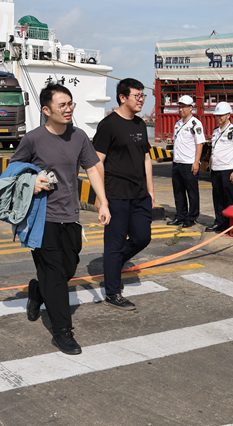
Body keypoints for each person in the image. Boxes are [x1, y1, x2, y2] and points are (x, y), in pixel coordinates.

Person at [11, 83, 110, 355]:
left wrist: (103, 202)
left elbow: (92, 168)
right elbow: (12, 170)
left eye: (71, 104)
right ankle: (62, 332)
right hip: (42, 218)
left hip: (71, 216)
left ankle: (37, 291)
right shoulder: (33, 139)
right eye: (62, 105)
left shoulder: (79, 137)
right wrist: (31, 182)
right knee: (54, 275)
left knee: (67, 269)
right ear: (46, 110)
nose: (69, 110)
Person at [93, 77, 153, 311]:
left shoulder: (140, 124)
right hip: (116, 194)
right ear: (122, 98)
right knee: (114, 245)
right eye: (137, 96)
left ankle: (113, 266)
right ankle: (112, 292)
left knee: (142, 238)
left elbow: (146, 158)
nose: (141, 100)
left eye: (142, 96)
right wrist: (101, 198)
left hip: (139, 195)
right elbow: (97, 162)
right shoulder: (108, 125)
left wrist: (150, 191)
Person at [167, 95, 206, 228]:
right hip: (178, 162)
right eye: (179, 107)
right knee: (178, 191)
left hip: (189, 163)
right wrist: (174, 159)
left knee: (192, 192)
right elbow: (176, 143)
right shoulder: (178, 124)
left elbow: (200, 144)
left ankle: (191, 217)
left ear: (190, 108)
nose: (180, 109)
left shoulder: (195, 124)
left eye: (183, 107)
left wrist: (196, 162)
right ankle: (180, 215)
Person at [206, 101, 233, 233]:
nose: (218, 118)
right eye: (217, 115)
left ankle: (230, 225)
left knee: (229, 199)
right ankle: (219, 222)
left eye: (221, 115)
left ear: (228, 115)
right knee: (217, 198)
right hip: (216, 170)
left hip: (228, 170)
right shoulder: (216, 131)